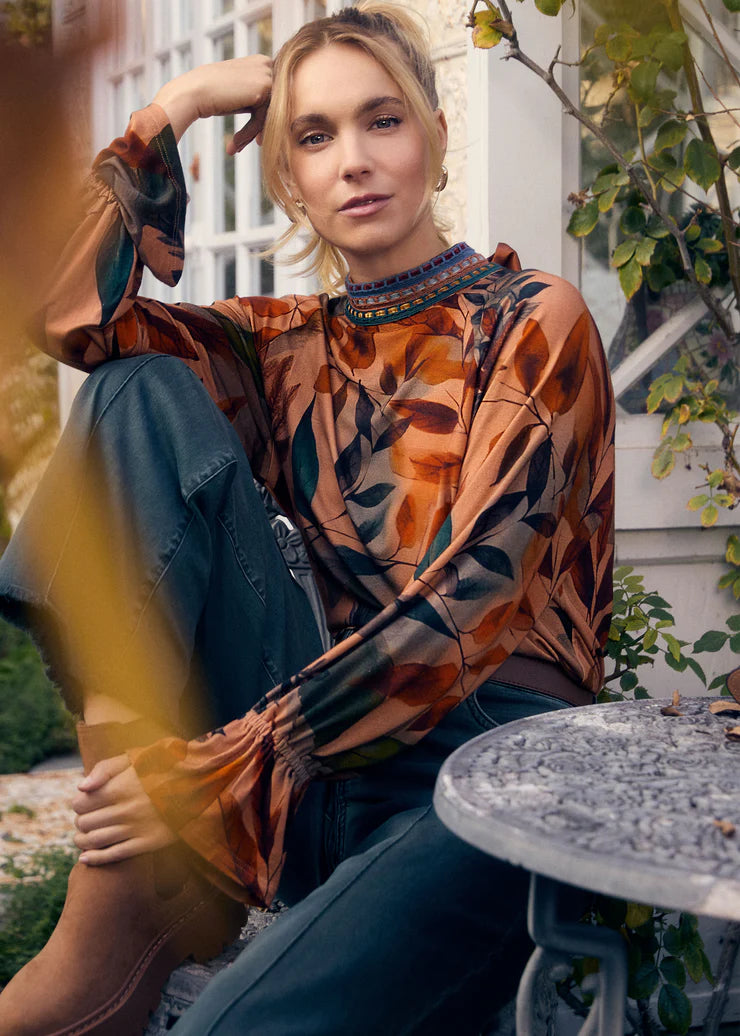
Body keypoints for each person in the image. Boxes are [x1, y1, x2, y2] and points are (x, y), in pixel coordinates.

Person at [0, 3, 615, 1033]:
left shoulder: (529, 319)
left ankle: (175, 838)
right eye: (313, 136)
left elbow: (464, 616)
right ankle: (131, 883)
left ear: (433, 135)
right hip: (322, 762)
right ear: (285, 176)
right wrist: (178, 105)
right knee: (130, 389)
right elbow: (67, 317)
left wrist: (209, 778)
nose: (352, 162)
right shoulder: (276, 348)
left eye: (382, 121)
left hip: (487, 772)